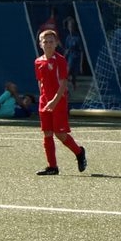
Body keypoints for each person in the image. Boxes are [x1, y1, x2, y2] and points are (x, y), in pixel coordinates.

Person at [33, 30, 87, 175]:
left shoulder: (60, 60)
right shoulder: (38, 61)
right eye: (45, 42)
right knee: (47, 133)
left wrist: (54, 101)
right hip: (44, 102)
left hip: (58, 102)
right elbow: (40, 82)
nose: (48, 44)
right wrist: (43, 98)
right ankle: (52, 167)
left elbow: (63, 84)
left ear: (56, 43)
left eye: (51, 41)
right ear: (40, 44)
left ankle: (79, 152)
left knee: (60, 134)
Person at [62, 16, 84, 90]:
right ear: (68, 27)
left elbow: (81, 51)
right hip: (70, 58)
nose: (71, 28)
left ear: (74, 27)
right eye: (69, 27)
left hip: (76, 58)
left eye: (72, 27)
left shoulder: (77, 38)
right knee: (67, 73)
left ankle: (74, 86)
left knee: (73, 76)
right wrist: (63, 57)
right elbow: (66, 49)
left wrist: (81, 64)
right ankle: (64, 89)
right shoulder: (68, 38)